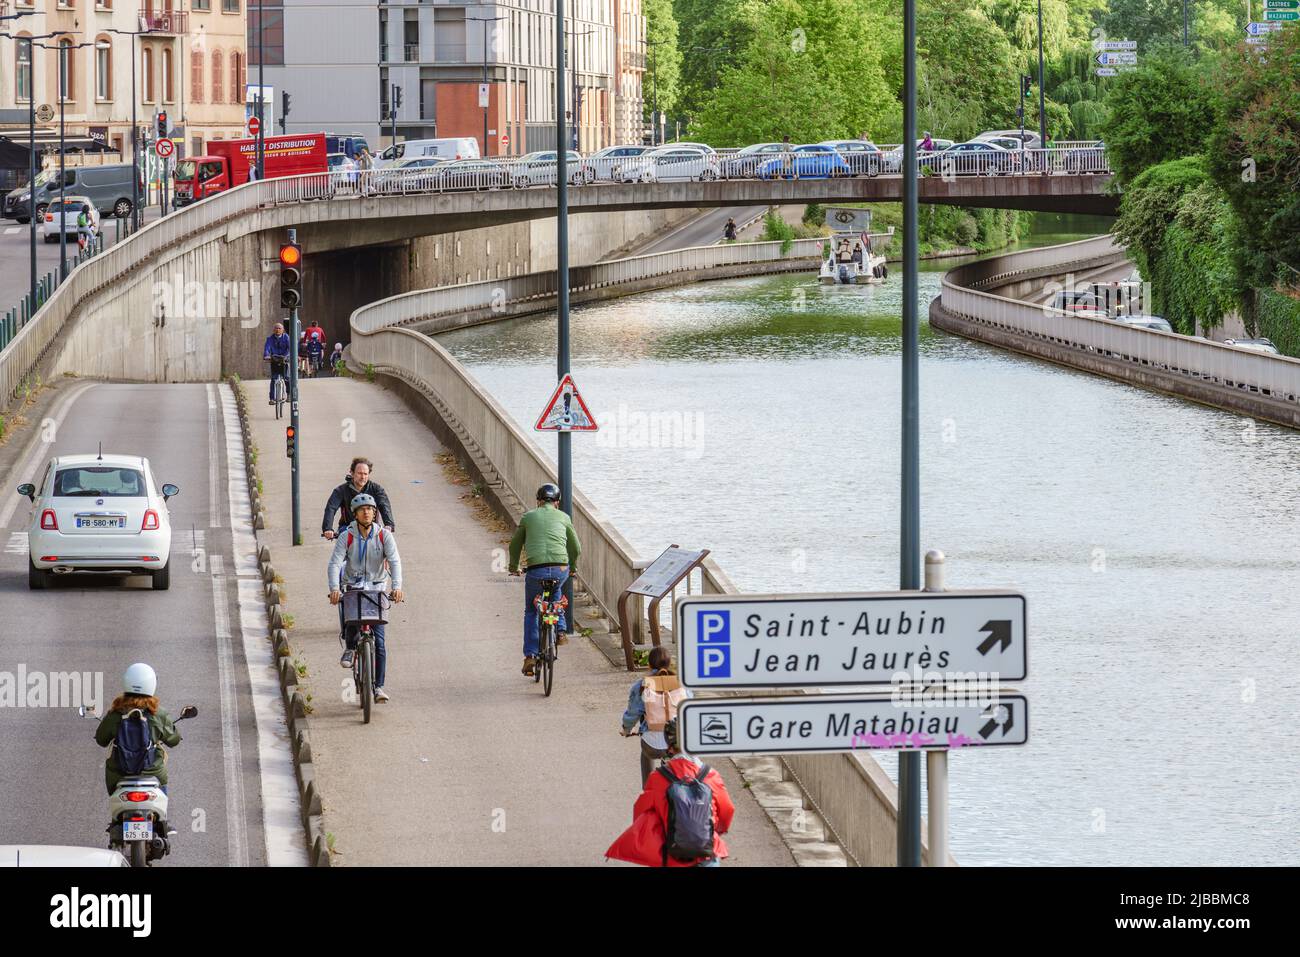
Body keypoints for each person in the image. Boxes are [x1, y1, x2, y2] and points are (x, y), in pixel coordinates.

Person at [605, 718, 734, 867]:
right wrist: (712, 829)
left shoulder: (658, 778)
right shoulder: (711, 775)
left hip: (671, 856)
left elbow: (641, 812)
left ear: (670, 747)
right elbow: (727, 810)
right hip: (707, 853)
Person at [328, 494, 405, 702]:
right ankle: (350, 648)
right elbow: (335, 563)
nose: (367, 512)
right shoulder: (347, 535)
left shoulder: (384, 536)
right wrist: (335, 588)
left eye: (370, 509)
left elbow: (395, 561)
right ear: (355, 514)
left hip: (377, 588)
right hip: (353, 584)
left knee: (379, 642)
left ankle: (379, 687)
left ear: (375, 513)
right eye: (362, 509)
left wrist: (397, 587)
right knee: (350, 616)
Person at [508, 483, 581, 677]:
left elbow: (515, 545)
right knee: (556, 593)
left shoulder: (529, 517)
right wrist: (572, 567)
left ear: (539, 501)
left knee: (532, 609)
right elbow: (576, 548)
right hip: (560, 568)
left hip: (536, 570)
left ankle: (530, 655)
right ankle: (561, 631)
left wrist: (513, 566)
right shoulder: (564, 517)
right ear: (557, 502)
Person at [93, 663, 183, 796]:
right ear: (152, 684)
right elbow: (173, 741)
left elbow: (101, 740)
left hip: (119, 775)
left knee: (117, 812)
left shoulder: (115, 713)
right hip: (153, 774)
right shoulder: (159, 714)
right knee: (161, 806)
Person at [621, 646, 691, 787]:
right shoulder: (682, 683)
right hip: (677, 743)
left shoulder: (642, 685)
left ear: (649, 664)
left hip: (652, 746)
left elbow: (633, 713)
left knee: (646, 754)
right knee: (675, 757)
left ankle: (648, 789)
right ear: (670, 663)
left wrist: (626, 729)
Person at [322, 457, 396, 538]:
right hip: (347, 528)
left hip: (371, 528)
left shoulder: (377, 489)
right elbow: (331, 508)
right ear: (352, 473)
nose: (363, 477)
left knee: (383, 547)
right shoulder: (340, 490)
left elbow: (384, 505)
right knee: (340, 549)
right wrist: (327, 528)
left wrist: (389, 524)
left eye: (365, 474)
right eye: (360, 473)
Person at [262, 321, 291, 404]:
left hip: (284, 359)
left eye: (279, 328)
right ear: (273, 330)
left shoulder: (286, 337)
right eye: (276, 328)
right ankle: (271, 398)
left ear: (283, 330)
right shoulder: (270, 339)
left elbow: (289, 348)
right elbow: (267, 348)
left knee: (286, 378)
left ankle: (288, 394)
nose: (277, 330)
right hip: (274, 359)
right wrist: (266, 355)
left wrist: (287, 356)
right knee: (273, 379)